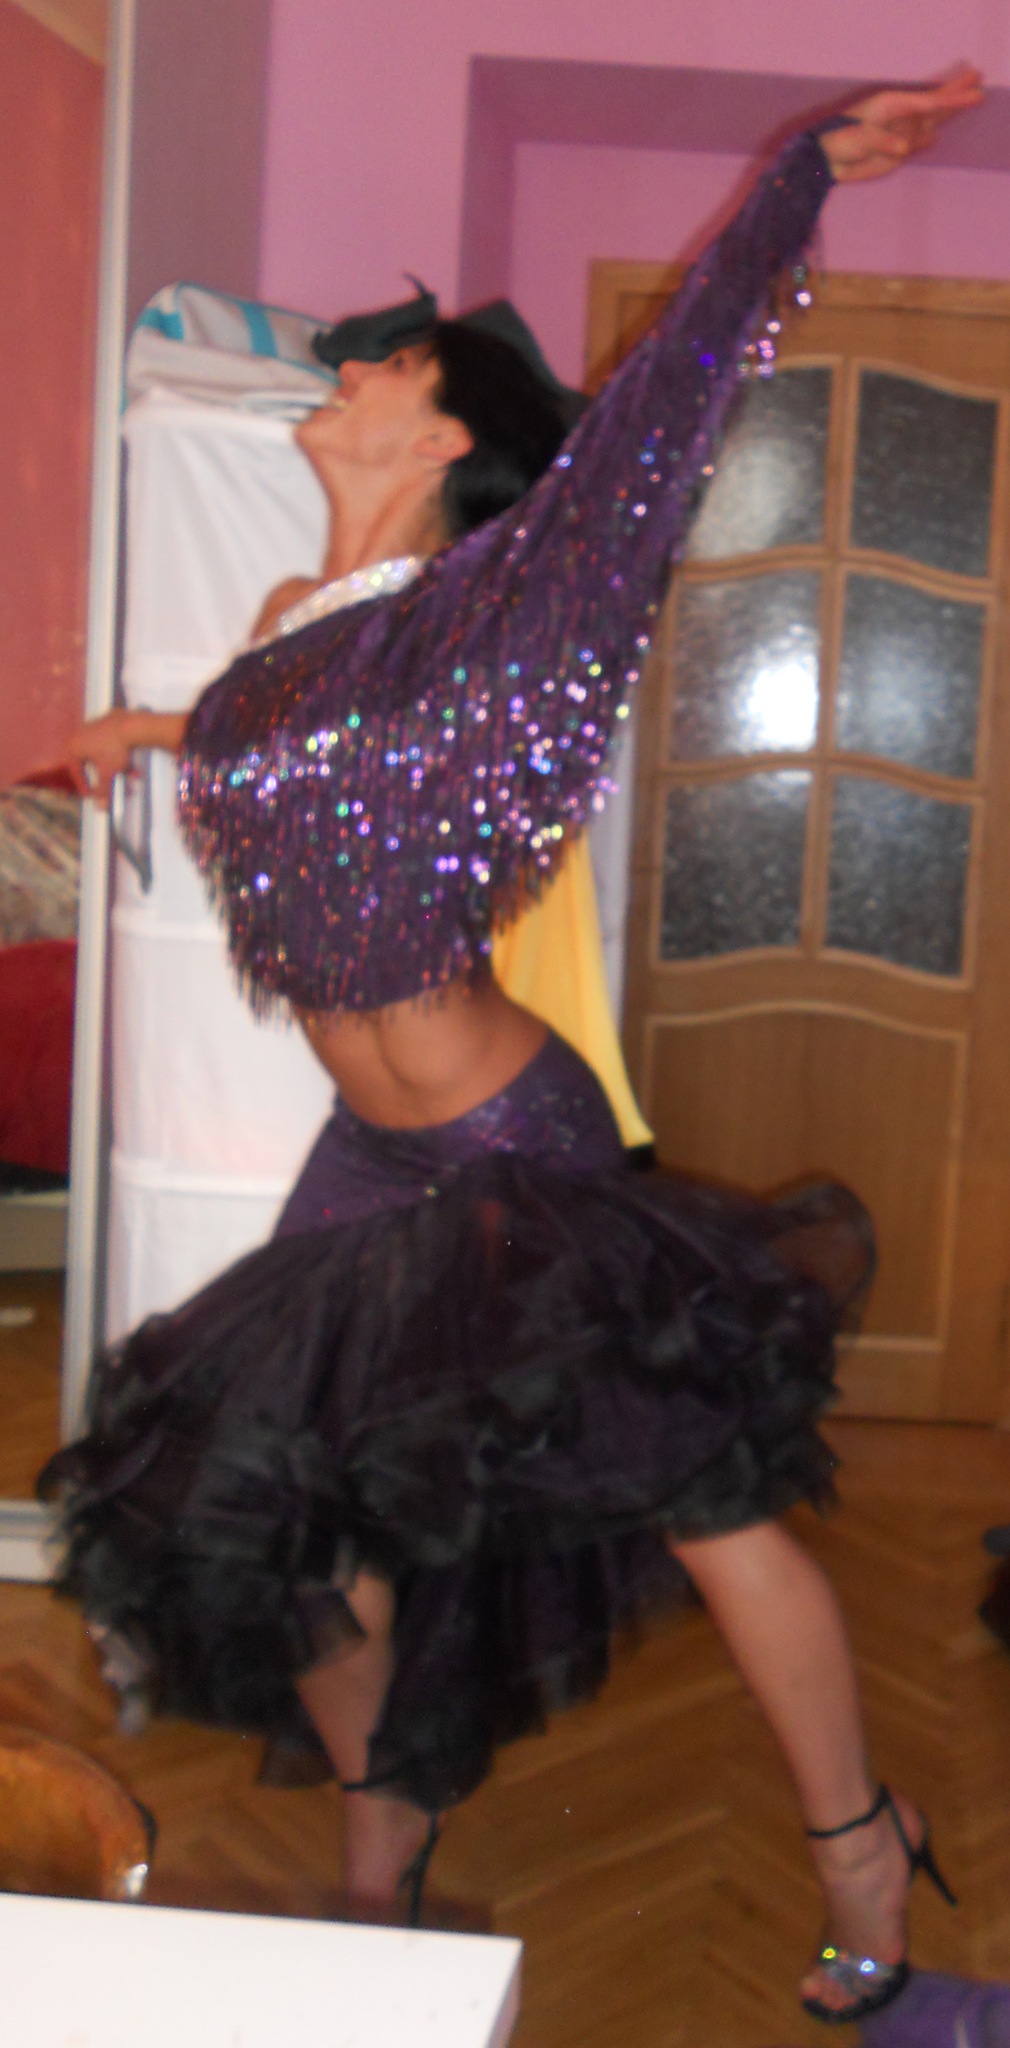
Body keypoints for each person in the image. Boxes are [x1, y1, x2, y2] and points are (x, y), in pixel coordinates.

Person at [49, 69, 985, 2027]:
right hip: (367, 1151)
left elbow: (661, 414)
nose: (346, 367)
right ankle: (380, 1847)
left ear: (446, 427)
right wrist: (141, 737)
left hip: (505, 1140)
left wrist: (795, 181)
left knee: (703, 1502)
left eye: (383, 362)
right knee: (288, 1504)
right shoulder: (296, 620)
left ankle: (859, 1846)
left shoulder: (503, 620)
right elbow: (267, 738)